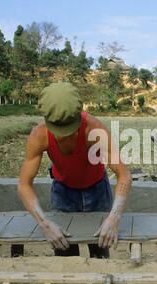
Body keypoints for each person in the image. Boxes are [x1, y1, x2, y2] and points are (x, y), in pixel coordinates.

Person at [18, 83, 132, 258]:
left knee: (100, 247)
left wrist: (114, 218)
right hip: (63, 192)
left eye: (70, 129)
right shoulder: (39, 135)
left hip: (97, 190)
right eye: (59, 130)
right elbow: (24, 185)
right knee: (63, 248)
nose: (64, 135)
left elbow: (123, 174)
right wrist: (44, 223)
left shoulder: (95, 130)